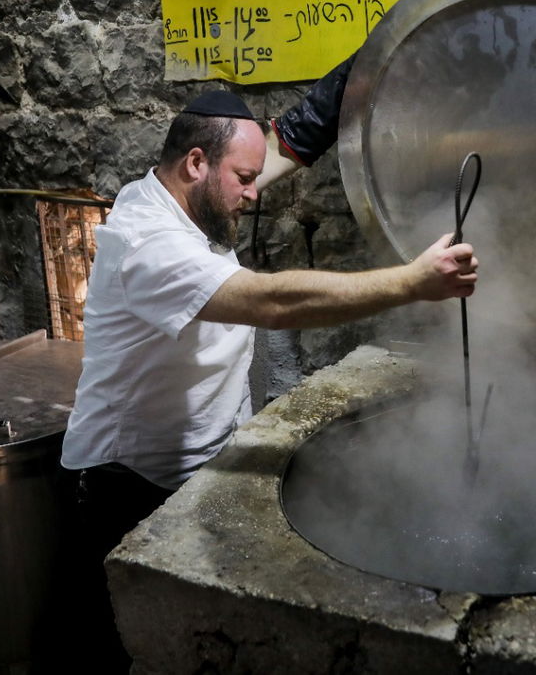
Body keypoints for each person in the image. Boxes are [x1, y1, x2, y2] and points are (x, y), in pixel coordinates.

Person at [45, 74, 475, 671]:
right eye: (244, 181)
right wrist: (414, 283)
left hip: (201, 464)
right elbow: (273, 302)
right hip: (132, 485)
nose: (254, 194)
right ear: (196, 162)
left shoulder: (189, 193)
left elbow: (293, 138)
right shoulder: (148, 243)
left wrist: (371, 62)